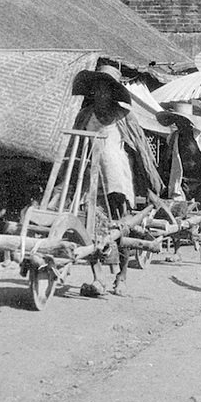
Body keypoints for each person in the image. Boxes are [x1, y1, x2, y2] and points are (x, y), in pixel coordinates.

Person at [72, 63, 163, 296]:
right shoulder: (85, 115)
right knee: (91, 227)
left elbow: (141, 151)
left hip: (118, 182)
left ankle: (121, 275)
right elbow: (73, 147)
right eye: (97, 89)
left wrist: (149, 185)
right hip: (90, 181)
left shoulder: (125, 118)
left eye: (106, 89)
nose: (101, 94)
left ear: (114, 92)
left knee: (123, 228)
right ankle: (98, 278)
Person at [157, 101, 201, 211]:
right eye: (176, 121)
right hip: (181, 182)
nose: (178, 124)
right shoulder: (173, 138)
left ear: (188, 122)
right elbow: (165, 162)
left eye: (181, 120)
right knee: (179, 212)